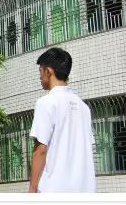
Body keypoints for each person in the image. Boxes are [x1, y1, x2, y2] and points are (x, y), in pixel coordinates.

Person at [29, 48, 96, 193]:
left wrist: (32, 189)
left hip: (55, 190)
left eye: (40, 71)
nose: (39, 77)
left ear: (48, 71)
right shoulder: (84, 107)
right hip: (85, 190)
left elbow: (40, 150)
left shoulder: (46, 102)